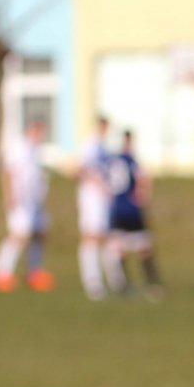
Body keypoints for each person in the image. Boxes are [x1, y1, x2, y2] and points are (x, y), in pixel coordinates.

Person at [0, 120, 53, 292]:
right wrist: (9, 196)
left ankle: (34, 272)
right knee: (18, 236)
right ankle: (2, 274)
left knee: (38, 234)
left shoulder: (36, 151)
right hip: (21, 201)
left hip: (35, 202)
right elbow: (7, 172)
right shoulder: (18, 148)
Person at [105, 129, 164, 299]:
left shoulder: (111, 161)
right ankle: (153, 285)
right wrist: (144, 194)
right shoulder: (130, 161)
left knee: (119, 247)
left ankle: (124, 286)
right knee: (144, 247)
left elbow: (105, 183)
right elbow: (143, 180)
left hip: (117, 209)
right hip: (131, 209)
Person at [77, 114, 114, 300]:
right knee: (91, 236)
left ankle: (111, 280)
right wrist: (96, 183)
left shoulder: (103, 146)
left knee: (103, 237)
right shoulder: (90, 144)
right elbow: (79, 168)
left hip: (102, 198)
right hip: (91, 197)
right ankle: (92, 281)